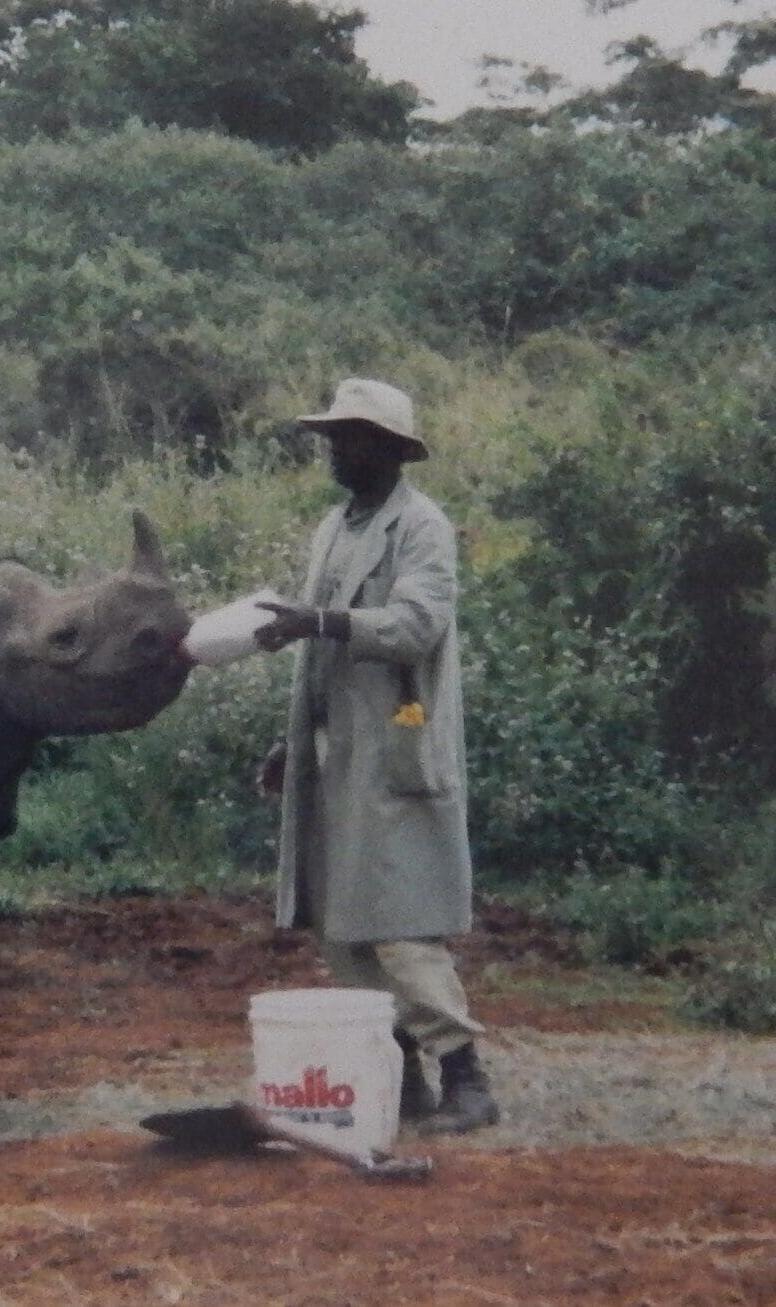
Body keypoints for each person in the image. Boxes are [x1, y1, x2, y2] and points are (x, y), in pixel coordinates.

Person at [252, 377, 498, 1133]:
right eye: (333, 436)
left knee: (400, 922)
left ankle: (466, 1074)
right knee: (341, 924)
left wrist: (320, 620)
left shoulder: (422, 528)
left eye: (350, 437)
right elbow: (320, 658)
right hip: (336, 754)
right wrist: (292, 742)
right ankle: (404, 1073)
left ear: (391, 449)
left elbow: (415, 626)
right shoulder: (335, 527)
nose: (335, 450)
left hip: (394, 746)